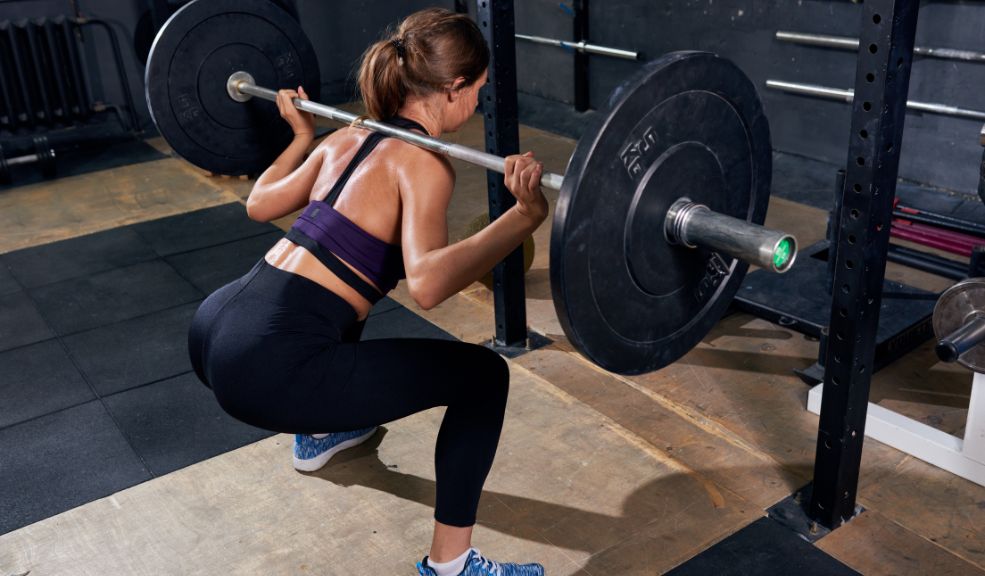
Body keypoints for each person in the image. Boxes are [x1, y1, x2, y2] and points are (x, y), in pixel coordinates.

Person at [187, 8, 547, 576]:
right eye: (476, 90)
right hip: (267, 366)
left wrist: (301, 136)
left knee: (343, 289)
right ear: (452, 89)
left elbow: (259, 203)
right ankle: (452, 565)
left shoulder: (344, 137)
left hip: (215, 328)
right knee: (484, 377)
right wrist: (523, 217)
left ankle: (321, 434)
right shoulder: (425, 166)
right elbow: (427, 284)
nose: (477, 103)